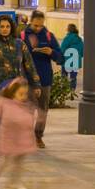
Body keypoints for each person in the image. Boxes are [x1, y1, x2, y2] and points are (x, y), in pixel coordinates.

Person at [0, 77, 38, 189]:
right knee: (3, 161)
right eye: (20, 94)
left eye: (25, 94)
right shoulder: (5, 103)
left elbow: (29, 120)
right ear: (12, 93)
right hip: (8, 137)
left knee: (20, 161)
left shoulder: (26, 106)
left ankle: (16, 181)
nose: (24, 97)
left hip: (22, 138)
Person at [0, 14, 39, 107]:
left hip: (19, 89)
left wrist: (36, 85)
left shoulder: (20, 44)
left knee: (18, 118)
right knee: (4, 119)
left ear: (12, 28)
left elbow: (30, 66)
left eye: (8, 26)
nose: (5, 29)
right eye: (2, 26)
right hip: (1, 89)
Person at [21, 10, 60, 148]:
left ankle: (38, 136)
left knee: (43, 109)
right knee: (28, 109)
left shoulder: (49, 36)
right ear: (31, 22)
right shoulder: (22, 35)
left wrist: (51, 52)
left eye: (41, 25)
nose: (38, 28)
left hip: (44, 78)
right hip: (27, 78)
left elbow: (60, 57)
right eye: (36, 25)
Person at [60, 23, 83, 90]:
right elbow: (82, 50)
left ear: (68, 30)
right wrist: (79, 56)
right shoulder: (79, 39)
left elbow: (62, 48)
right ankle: (72, 90)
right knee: (73, 77)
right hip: (75, 59)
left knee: (64, 76)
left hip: (66, 59)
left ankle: (64, 90)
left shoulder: (67, 38)